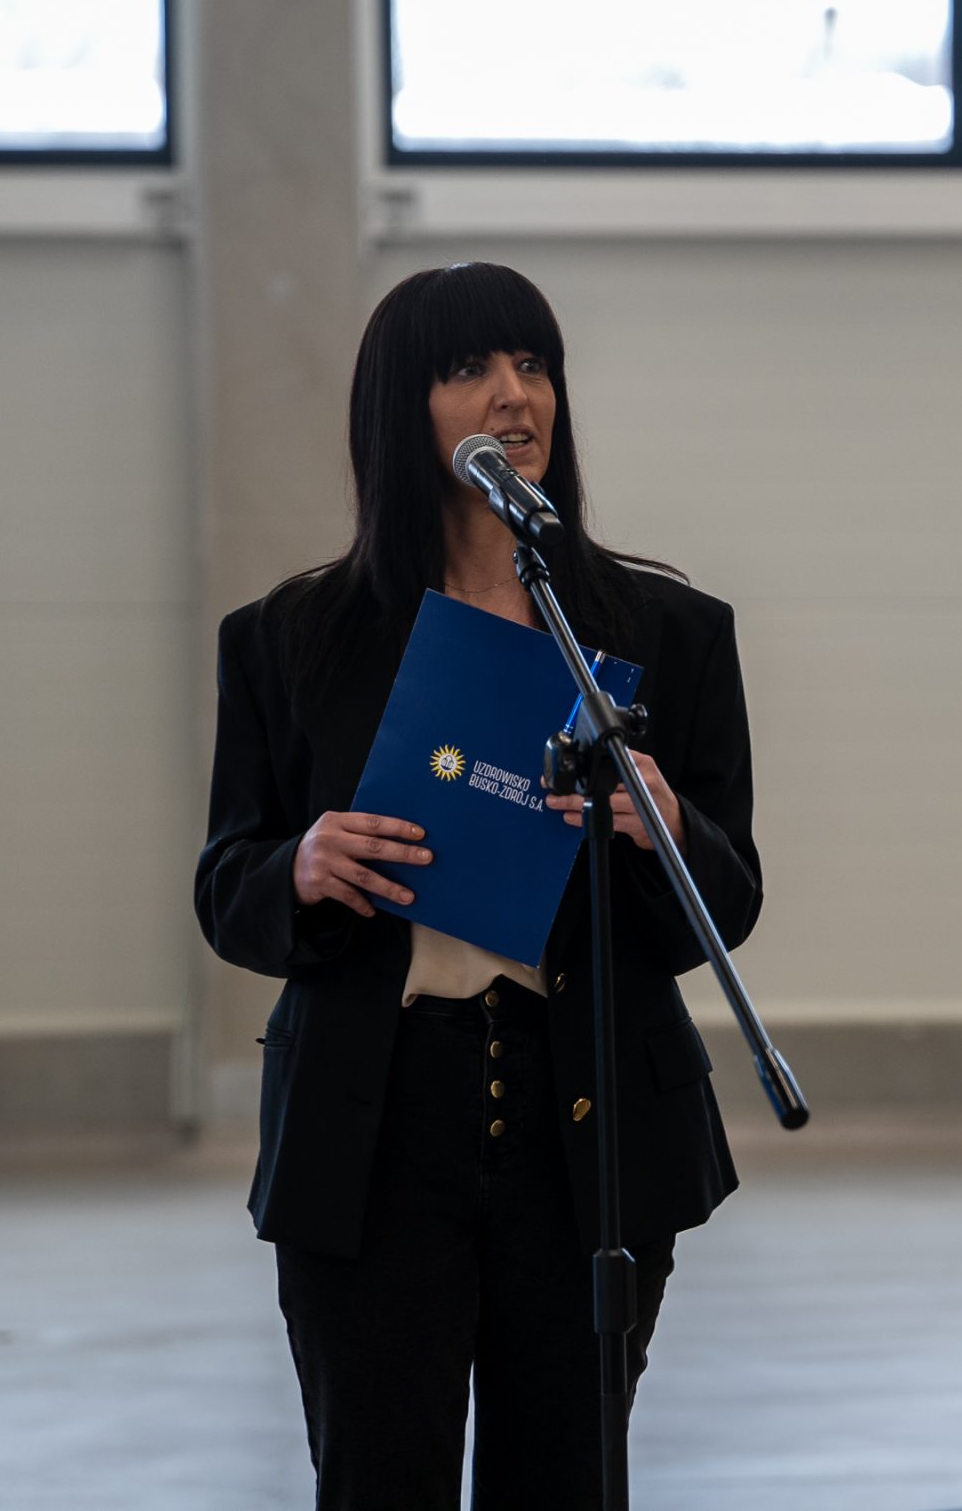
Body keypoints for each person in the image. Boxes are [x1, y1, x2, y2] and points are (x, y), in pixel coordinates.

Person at [194, 261, 761, 1509]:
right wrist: (299, 866)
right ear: (402, 413)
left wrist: (667, 826)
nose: (514, 395)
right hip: (376, 1122)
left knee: (562, 1481)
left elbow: (728, 905)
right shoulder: (292, 640)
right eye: (469, 370)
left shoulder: (667, 634)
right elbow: (227, 884)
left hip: (589, 1116)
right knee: (378, 1479)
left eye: (533, 363)